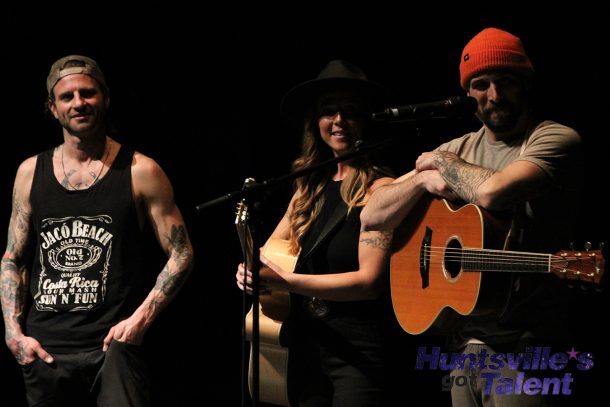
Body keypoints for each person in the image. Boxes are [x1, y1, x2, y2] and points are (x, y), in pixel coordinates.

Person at [361, 28, 584, 406]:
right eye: (481, 84)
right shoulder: (460, 146)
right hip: (463, 344)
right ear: (467, 93)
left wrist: (440, 164)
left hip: (529, 347)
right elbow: (371, 214)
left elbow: (491, 192)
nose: (494, 96)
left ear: (526, 82)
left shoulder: (554, 138)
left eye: (506, 81)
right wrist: (420, 183)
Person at [0, 55, 194, 407]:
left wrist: (140, 320)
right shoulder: (30, 172)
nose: (79, 103)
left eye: (87, 93)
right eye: (67, 97)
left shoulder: (140, 170)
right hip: (46, 352)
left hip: (112, 349)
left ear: (105, 98)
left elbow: (181, 252)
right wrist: (14, 335)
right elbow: (13, 258)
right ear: (52, 107)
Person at [236, 59, 394, 406]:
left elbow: (370, 283)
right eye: (328, 111)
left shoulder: (382, 189)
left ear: (366, 119)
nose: (338, 121)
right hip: (302, 348)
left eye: (349, 111)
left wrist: (287, 282)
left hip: (356, 353)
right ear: (315, 122)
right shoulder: (310, 188)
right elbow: (271, 251)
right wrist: (251, 271)